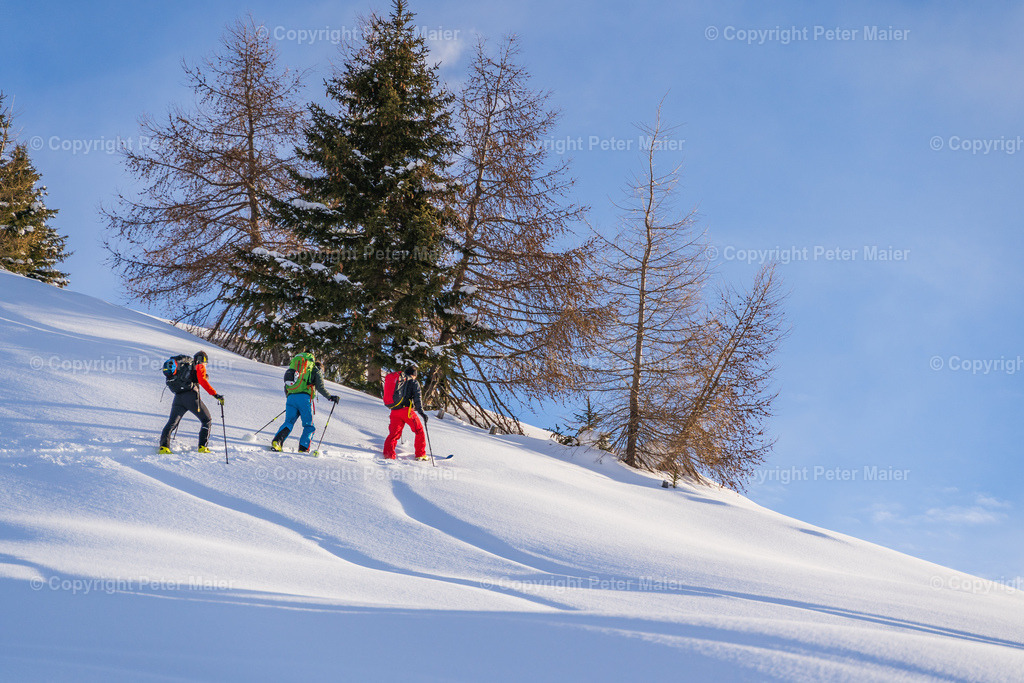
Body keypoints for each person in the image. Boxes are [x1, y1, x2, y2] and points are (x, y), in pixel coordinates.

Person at [271, 354, 339, 453]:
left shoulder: (298, 370)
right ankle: (303, 448)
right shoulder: (315, 370)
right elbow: (320, 387)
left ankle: (277, 442)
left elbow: (286, 386)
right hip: (305, 399)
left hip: (291, 397)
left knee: (289, 422)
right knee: (309, 426)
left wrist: (292, 399)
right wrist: (330, 397)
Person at [159, 350, 224, 454]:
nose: (205, 365)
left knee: (171, 423)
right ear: (203, 360)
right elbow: (202, 380)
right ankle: (202, 447)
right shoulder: (199, 365)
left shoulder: (185, 366)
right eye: (205, 363)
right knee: (206, 420)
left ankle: (164, 447)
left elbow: (197, 378)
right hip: (191, 397)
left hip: (178, 397)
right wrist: (215, 394)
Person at [383, 364, 428, 461]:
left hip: (394, 411)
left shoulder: (399, 381)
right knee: (419, 430)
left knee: (393, 434)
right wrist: (422, 413)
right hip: (406, 411)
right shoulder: (413, 382)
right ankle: (420, 454)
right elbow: (417, 399)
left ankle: (388, 454)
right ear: (414, 374)